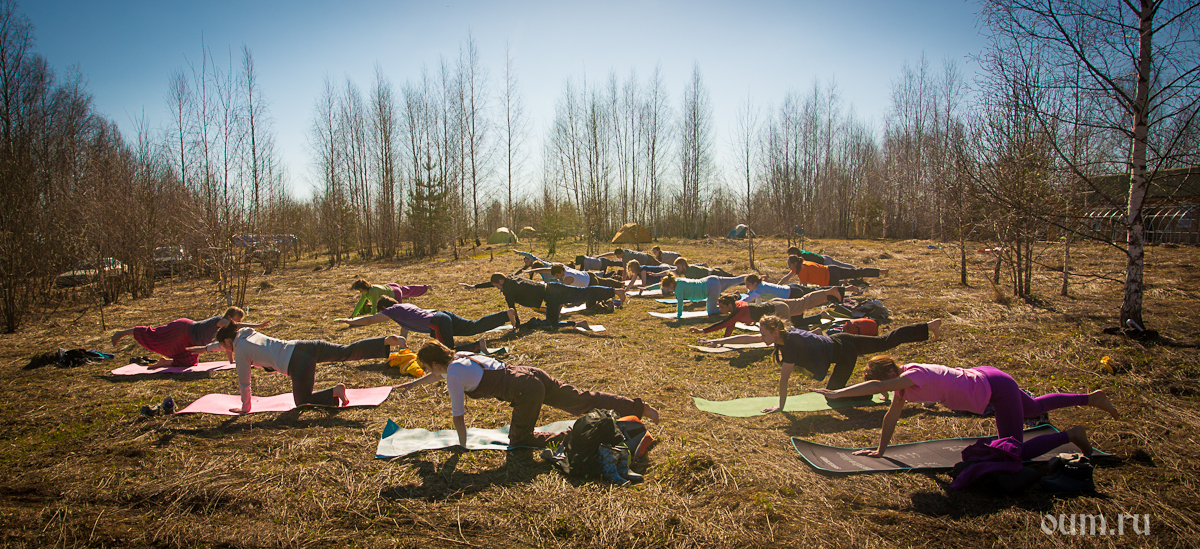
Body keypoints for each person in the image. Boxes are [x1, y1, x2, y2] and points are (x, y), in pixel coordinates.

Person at [815, 356, 1120, 460]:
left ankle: (1072, 435)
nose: (885, 391)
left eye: (885, 384)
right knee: (1032, 408)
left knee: (1013, 451)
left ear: (891, 374)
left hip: (995, 389)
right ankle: (1091, 398)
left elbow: (875, 387)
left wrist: (837, 392)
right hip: (989, 378)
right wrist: (880, 450)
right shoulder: (903, 385)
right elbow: (891, 417)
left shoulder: (913, 375)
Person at [396, 340, 660, 448]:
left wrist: (462, 444)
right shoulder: (460, 357)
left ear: (434, 363)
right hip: (530, 373)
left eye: (426, 367)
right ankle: (639, 408)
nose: (427, 372)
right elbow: (438, 375)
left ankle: (586, 435)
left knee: (520, 439)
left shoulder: (453, 376)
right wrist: (409, 386)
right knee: (582, 399)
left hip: (525, 390)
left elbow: (458, 416)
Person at [700, 315, 942, 412]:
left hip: (844, 352)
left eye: (764, 334)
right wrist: (719, 342)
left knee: (833, 396)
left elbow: (784, 380)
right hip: (842, 340)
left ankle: (873, 392)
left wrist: (780, 407)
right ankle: (927, 326)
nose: (761, 338)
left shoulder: (790, 345)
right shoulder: (783, 335)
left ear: (775, 332)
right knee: (884, 342)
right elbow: (748, 338)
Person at [187, 323, 405, 414]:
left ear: (228, 341)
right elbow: (224, 343)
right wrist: (204, 349)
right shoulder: (246, 333)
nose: (224, 349)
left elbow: (244, 382)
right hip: (305, 345)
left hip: (297, 362)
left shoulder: (241, 350)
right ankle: (383, 342)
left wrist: (245, 408)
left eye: (223, 346)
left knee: (302, 401)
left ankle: (335, 391)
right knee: (345, 351)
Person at [335, 296, 518, 350]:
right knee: (473, 326)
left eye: (381, 311)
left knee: (446, 353)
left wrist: (351, 321)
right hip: (442, 316)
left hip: (437, 323)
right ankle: (505, 314)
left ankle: (477, 346)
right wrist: (402, 347)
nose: (381, 314)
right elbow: (405, 329)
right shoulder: (403, 308)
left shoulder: (391, 311)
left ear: (384, 308)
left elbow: (369, 320)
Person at [111, 306, 267, 368]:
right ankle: (122, 333)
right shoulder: (220, 320)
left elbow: (228, 344)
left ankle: (163, 362)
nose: (237, 323)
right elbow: (236, 326)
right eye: (236, 320)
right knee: (155, 335)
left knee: (190, 362)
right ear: (229, 317)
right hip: (183, 330)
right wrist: (257, 326)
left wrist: (231, 361)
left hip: (189, 339)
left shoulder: (225, 328)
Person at [690, 290, 843, 337]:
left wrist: (702, 331)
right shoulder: (738, 307)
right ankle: (828, 292)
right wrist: (724, 341)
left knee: (787, 334)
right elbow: (730, 325)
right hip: (775, 304)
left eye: (721, 307)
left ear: (729, 305)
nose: (720, 309)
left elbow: (725, 323)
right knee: (803, 303)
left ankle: (814, 334)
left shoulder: (739, 310)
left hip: (778, 310)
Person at [659, 273, 747, 317]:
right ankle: (751, 277)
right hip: (711, 280)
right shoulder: (677, 280)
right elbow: (658, 284)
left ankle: (732, 307)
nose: (669, 290)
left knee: (711, 311)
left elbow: (680, 303)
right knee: (736, 280)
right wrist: (650, 288)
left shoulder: (678, 289)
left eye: (668, 288)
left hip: (711, 288)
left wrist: (678, 316)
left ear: (671, 284)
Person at [778, 255, 887, 287]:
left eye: (789, 265)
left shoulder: (801, 271)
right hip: (831, 269)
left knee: (832, 296)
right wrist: (777, 285)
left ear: (795, 263)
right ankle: (882, 271)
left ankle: (846, 286)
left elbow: (803, 287)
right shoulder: (803, 264)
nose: (789, 267)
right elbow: (787, 277)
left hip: (830, 277)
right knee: (857, 272)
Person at [742, 273, 860, 302]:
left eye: (748, 284)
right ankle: (847, 288)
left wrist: (737, 304)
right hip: (791, 288)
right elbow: (753, 296)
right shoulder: (760, 286)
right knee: (815, 290)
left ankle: (832, 291)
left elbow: (749, 299)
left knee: (816, 295)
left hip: (793, 294)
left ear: (754, 283)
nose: (747, 287)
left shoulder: (760, 289)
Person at [350, 278, 430, 316]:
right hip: (390, 287)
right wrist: (353, 314)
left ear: (364, 287)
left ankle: (425, 287)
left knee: (400, 311)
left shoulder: (373, 292)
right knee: (408, 290)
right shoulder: (365, 293)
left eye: (360, 290)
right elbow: (360, 303)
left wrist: (372, 317)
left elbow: (374, 305)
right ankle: (425, 287)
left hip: (395, 293)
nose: (360, 292)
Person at [785, 246, 858, 270]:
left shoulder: (803, 256)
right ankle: (854, 269)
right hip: (824, 257)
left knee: (840, 268)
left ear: (795, 252)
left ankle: (854, 271)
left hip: (825, 262)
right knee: (842, 265)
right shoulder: (802, 252)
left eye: (790, 254)